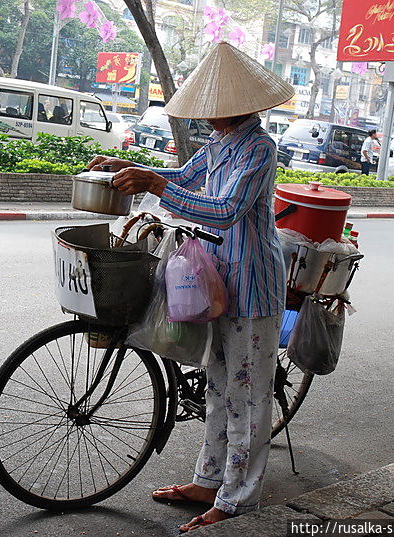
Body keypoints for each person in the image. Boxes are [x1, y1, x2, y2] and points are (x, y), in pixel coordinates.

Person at [86, 42, 294, 533]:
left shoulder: (260, 149)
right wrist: (131, 171)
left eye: (214, 109)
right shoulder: (219, 144)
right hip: (218, 280)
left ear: (237, 106)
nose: (208, 116)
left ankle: (239, 498)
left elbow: (223, 211)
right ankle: (208, 479)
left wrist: (157, 188)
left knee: (248, 394)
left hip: (254, 284)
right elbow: (182, 177)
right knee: (221, 386)